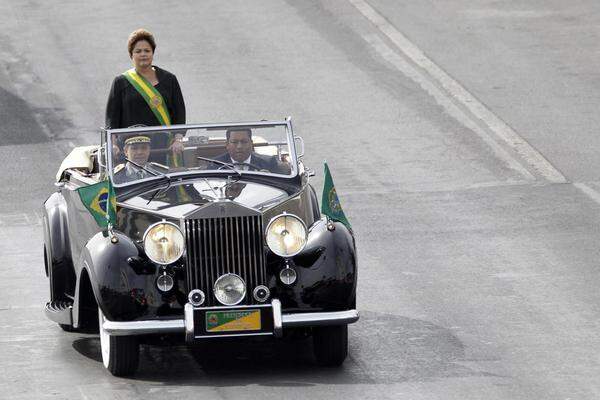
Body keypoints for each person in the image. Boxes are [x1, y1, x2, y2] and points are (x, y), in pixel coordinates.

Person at [105, 28, 185, 163]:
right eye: (138, 51)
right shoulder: (121, 82)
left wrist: (178, 140)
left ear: (152, 53)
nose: (143, 54)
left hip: (163, 147)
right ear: (131, 54)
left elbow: (179, 114)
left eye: (147, 51)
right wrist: (112, 144)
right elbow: (112, 119)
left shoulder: (169, 79)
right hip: (131, 149)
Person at [214, 128, 289, 173]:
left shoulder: (269, 163)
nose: (239, 146)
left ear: (251, 143)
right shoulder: (215, 165)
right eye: (234, 142)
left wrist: (269, 179)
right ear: (227, 144)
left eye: (244, 142)